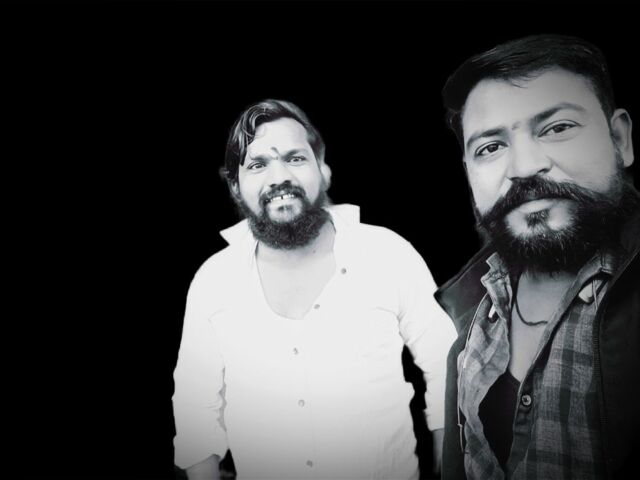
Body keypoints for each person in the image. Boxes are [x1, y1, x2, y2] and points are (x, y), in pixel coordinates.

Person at [172, 99, 457, 479]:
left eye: (295, 158)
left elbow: (446, 367)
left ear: (323, 169)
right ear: (235, 187)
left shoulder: (387, 253)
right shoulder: (214, 282)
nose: (279, 177)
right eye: (258, 165)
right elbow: (195, 411)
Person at [436, 34, 640, 479]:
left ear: (620, 139)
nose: (525, 167)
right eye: (490, 147)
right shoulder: (471, 315)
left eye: (557, 127)